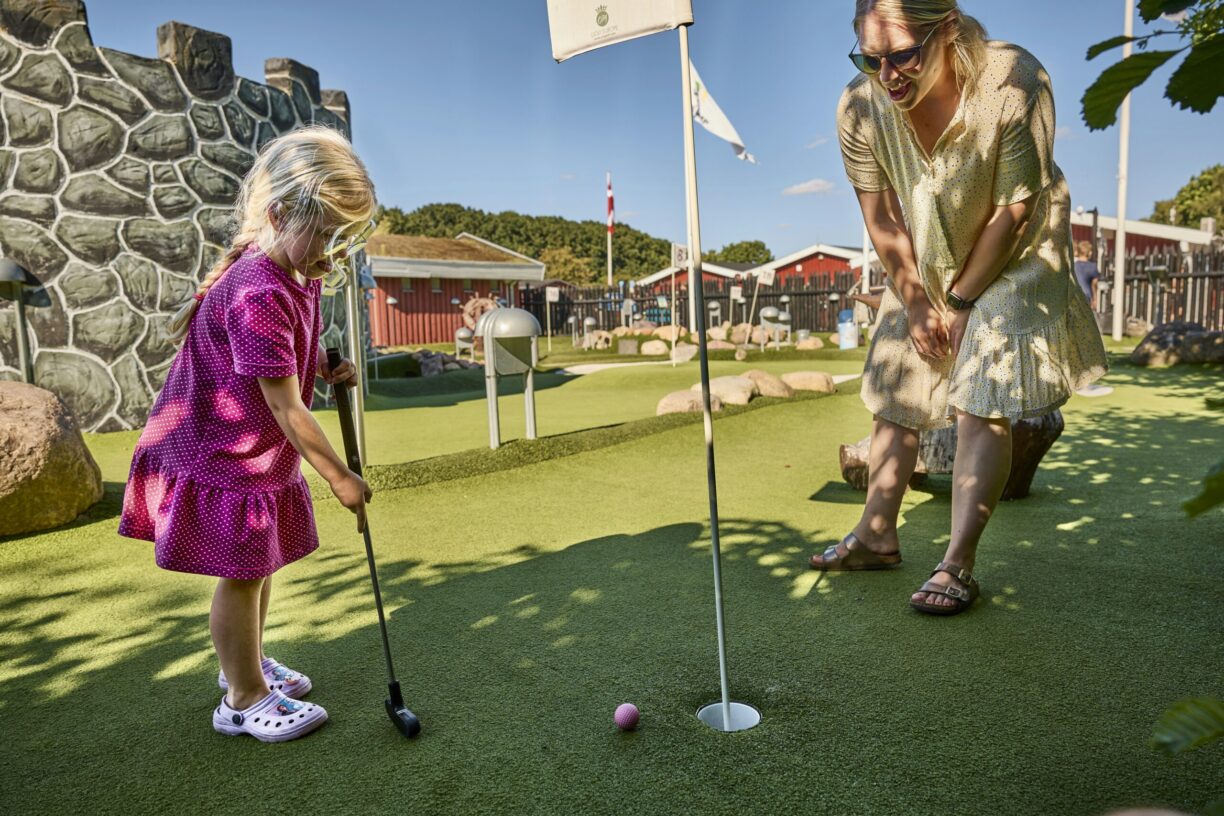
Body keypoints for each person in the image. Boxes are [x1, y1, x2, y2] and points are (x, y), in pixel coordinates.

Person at [808, 0, 1108, 615]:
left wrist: (963, 300)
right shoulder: (859, 106)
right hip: (929, 253)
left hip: (1019, 250)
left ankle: (958, 563)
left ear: (946, 30)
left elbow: (1015, 210)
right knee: (899, 376)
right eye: (870, 58)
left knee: (981, 388)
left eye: (902, 55)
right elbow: (881, 216)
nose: (886, 75)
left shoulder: (1014, 81)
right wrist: (919, 302)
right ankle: (876, 535)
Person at [119, 126, 378, 740]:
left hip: (254, 456)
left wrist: (323, 364)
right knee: (241, 575)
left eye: (345, 237)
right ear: (281, 214)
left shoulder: (299, 274)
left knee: (256, 567)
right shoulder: (257, 289)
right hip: (220, 452)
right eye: (327, 233)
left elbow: (284, 351)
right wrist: (339, 477)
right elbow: (287, 408)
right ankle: (241, 697)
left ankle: (248, 661)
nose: (334, 251)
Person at [1073, 239, 1100, 306]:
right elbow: (1094, 284)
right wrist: (1095, 299)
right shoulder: (1092, 266)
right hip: (1086, 296)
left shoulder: (1073, 266)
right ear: (1089, 253)